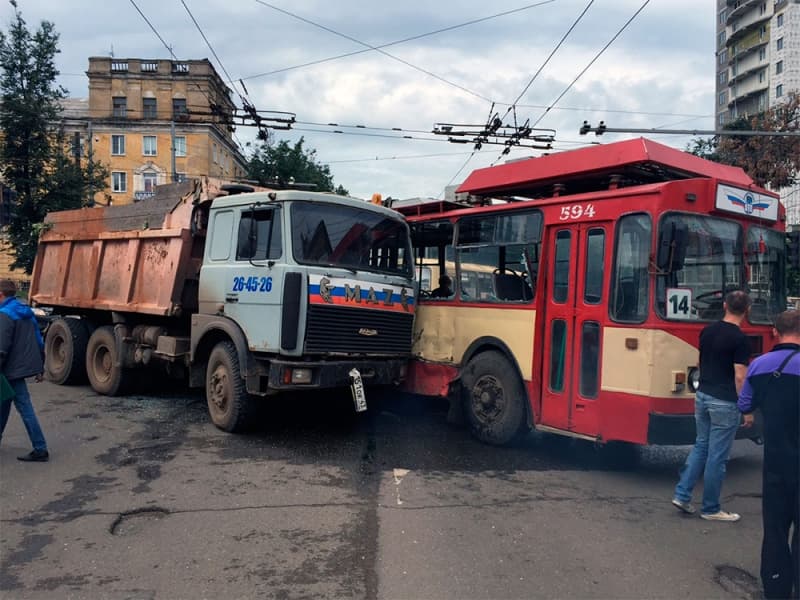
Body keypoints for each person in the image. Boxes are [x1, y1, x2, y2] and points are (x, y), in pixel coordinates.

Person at [672, 290, 751, 522]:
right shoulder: (740, 339)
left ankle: (682, 495)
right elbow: (740, 377)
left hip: (703, 395)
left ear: (725, 305)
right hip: (724, 400)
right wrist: (746, 407)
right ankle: (710, 508)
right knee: (718, 456)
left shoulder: (707, 331)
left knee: (701, 447)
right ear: (747, 311)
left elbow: (699, 361)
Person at [738, 310, 799, 600]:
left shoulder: (759, 365)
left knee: (775, 528)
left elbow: (744, 403)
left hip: (775, 461)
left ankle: (776, 586)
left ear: (775, 332)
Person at [0, 279, 49, 462]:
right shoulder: (25, 312)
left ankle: (40, 448)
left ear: (1, 295)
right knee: (3, 403)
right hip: (19, 368)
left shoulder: (4, 314)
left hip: (9, 370)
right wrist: (40, 367)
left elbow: (1, 347)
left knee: (24, 408)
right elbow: (38, 341)